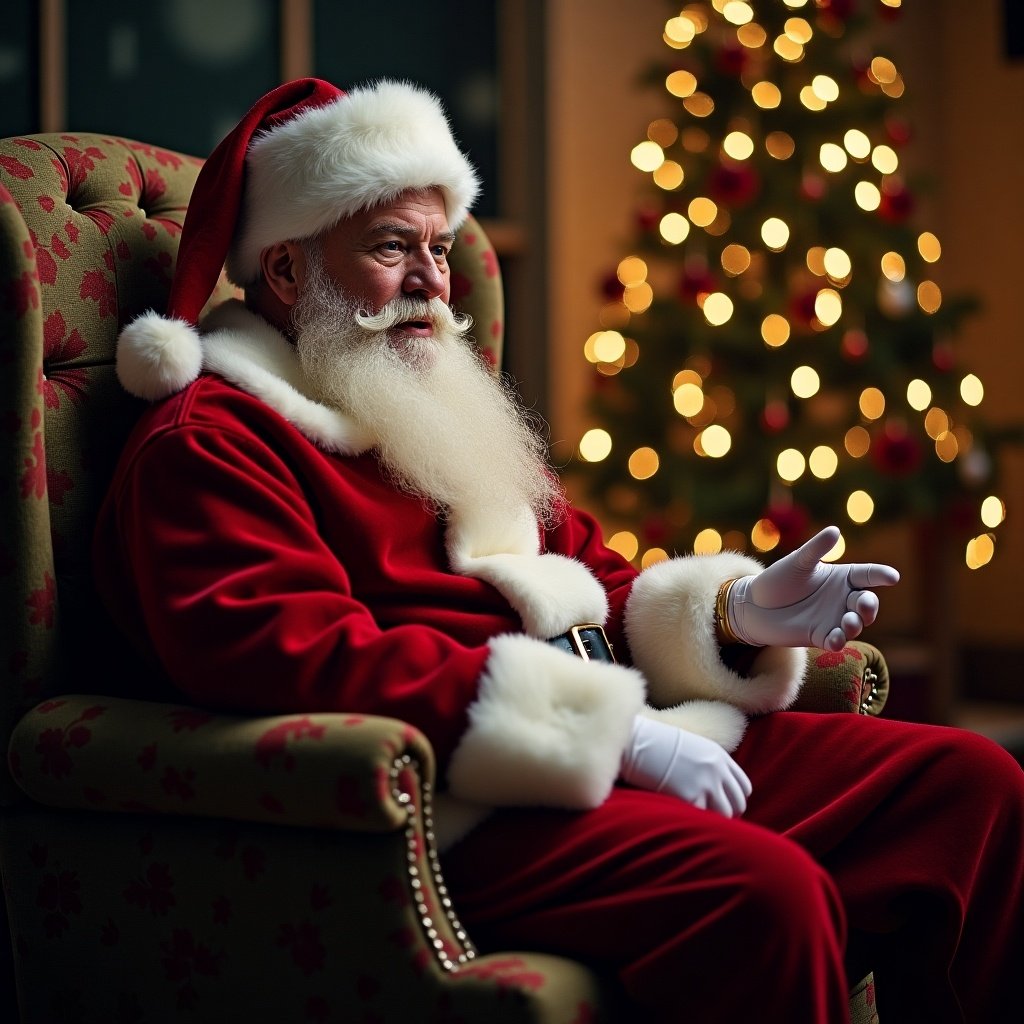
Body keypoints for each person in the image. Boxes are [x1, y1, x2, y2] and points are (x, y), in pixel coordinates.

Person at [94, 78, 1024, 1023]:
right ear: (286, 271)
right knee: (768, 898)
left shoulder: (422, 404)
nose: (430, 282)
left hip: (616, 740)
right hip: (453, 802)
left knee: (971, 789)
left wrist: (730, 616)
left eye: (439, 249)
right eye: (389, 248)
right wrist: (611, 732)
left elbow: (589, 572)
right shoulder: (209, 443)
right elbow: (300, 659)